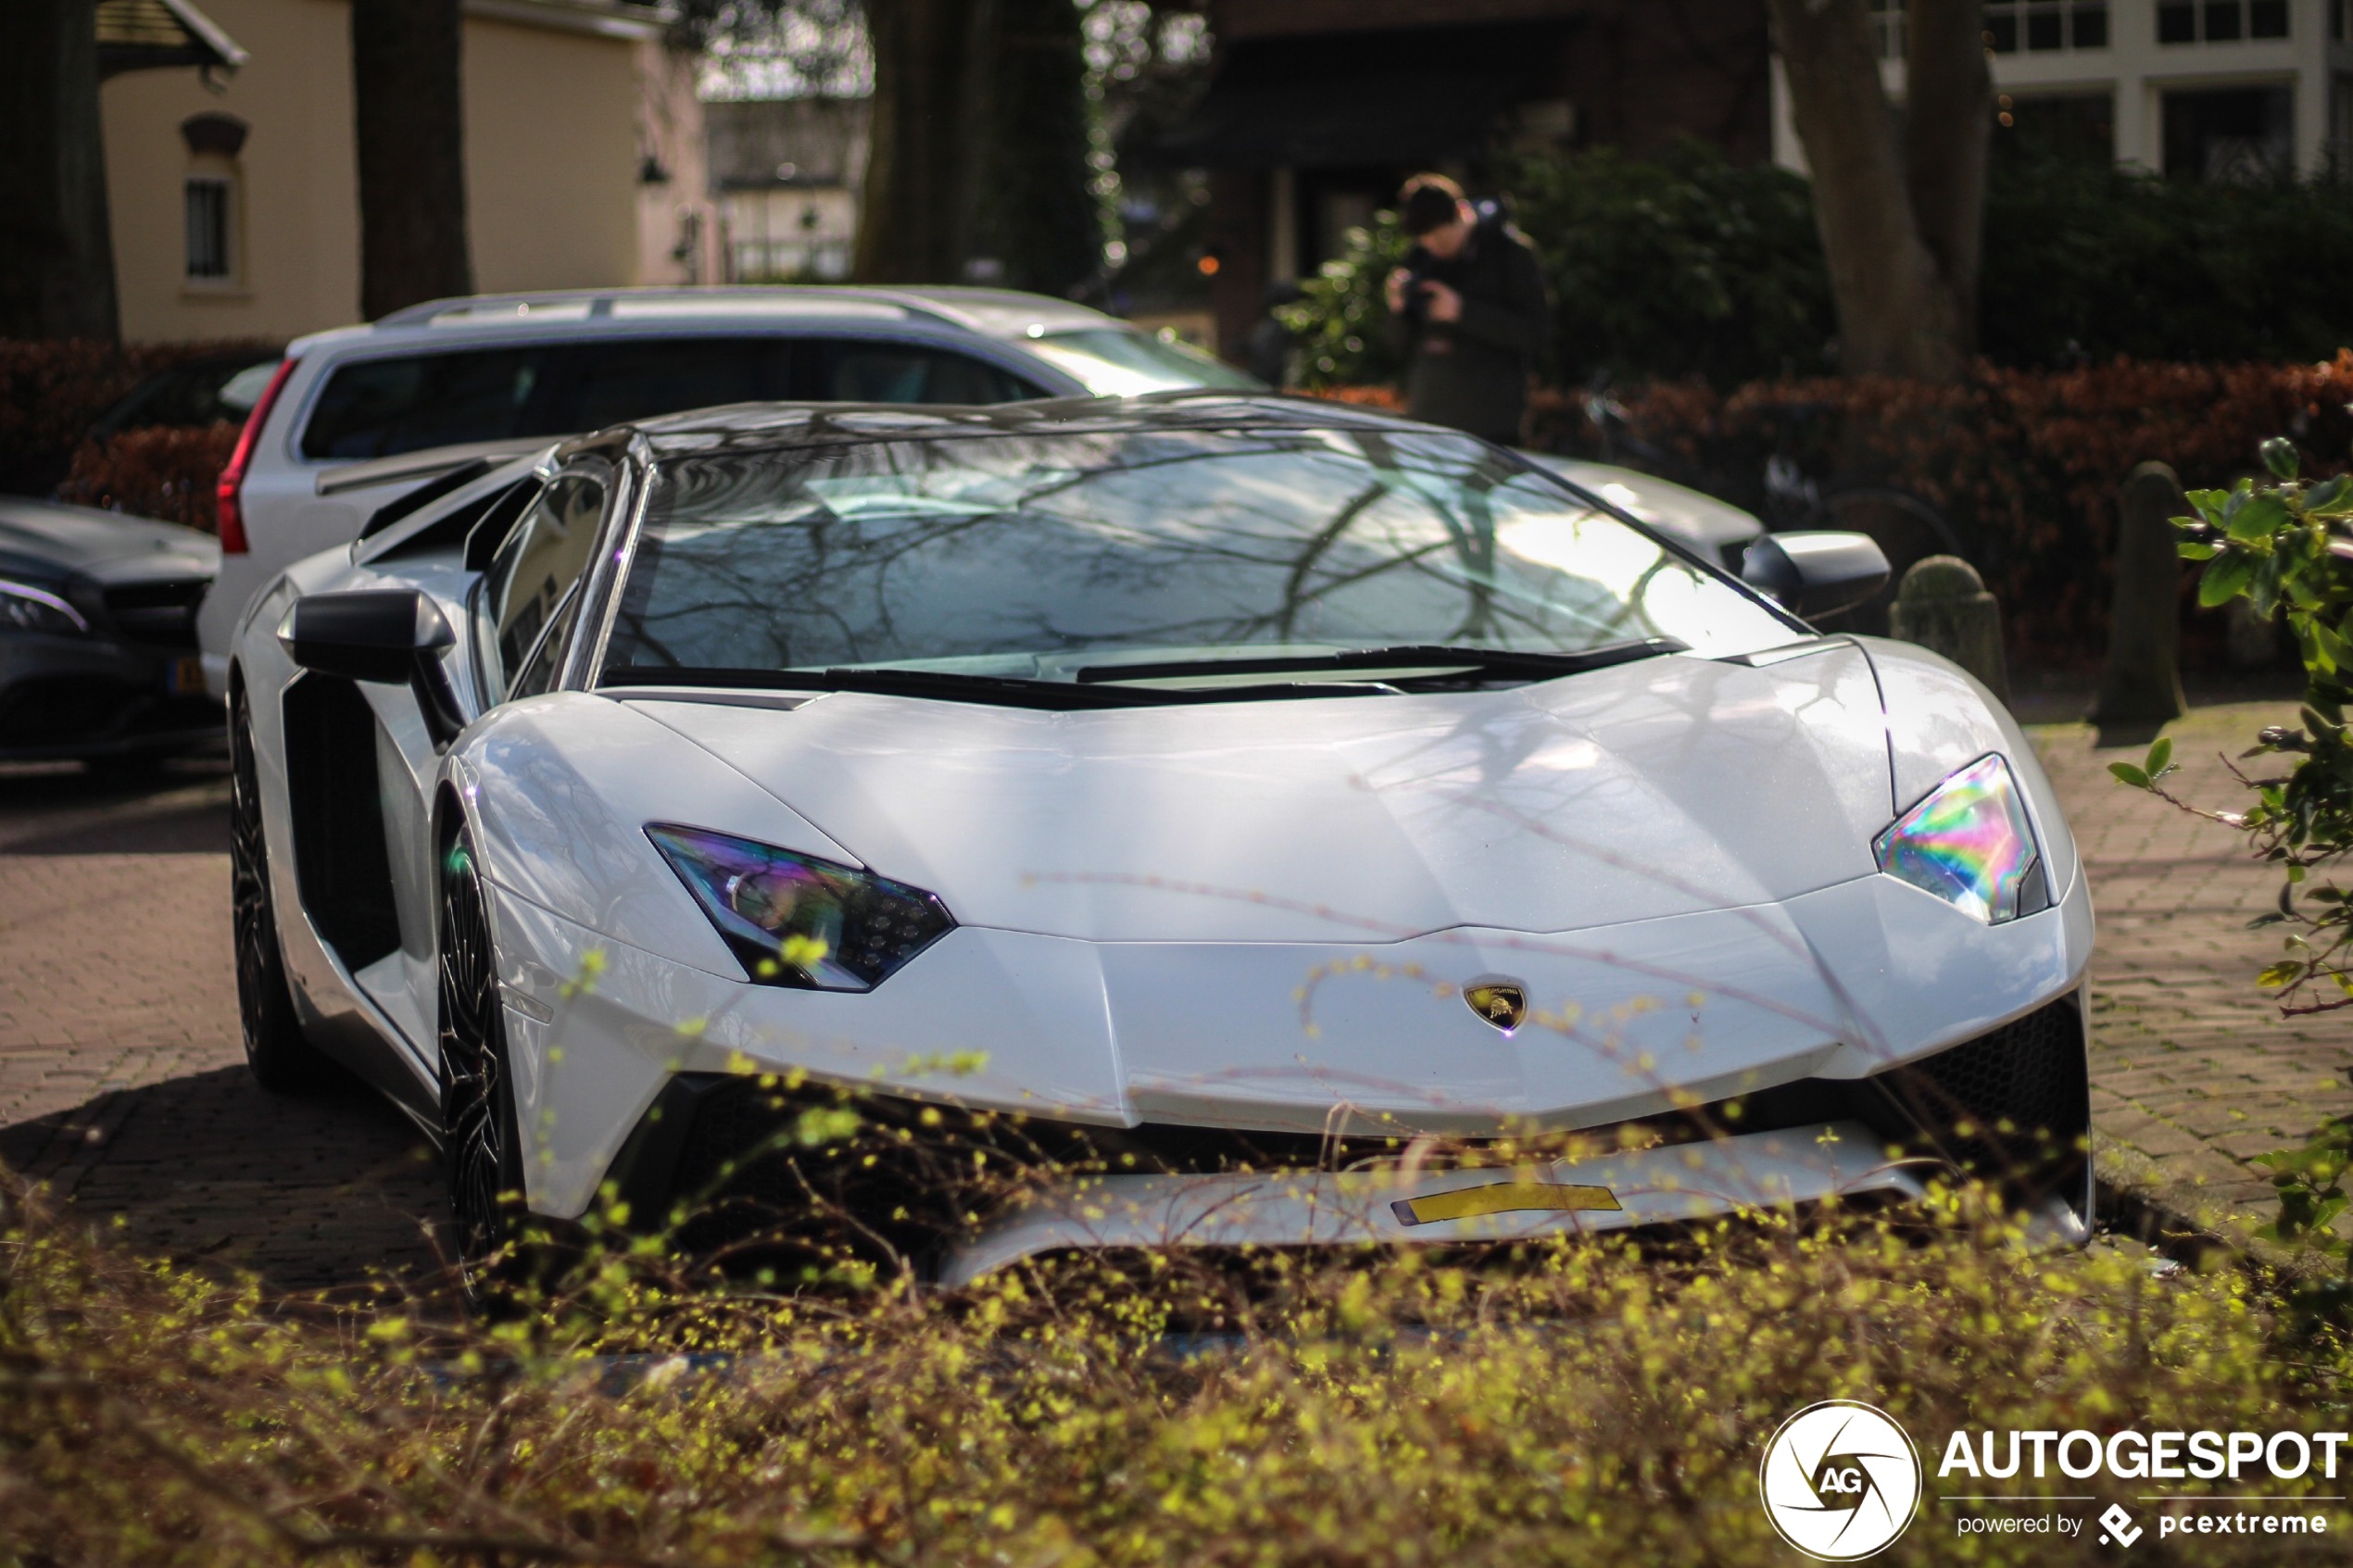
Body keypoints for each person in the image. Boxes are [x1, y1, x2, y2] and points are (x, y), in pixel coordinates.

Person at [1381, 174, 1549, 446]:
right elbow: (1396, 348)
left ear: (1462, 213)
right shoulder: (1420, 259)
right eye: (1427, 240)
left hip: (1491, 425)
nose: (1434, 247)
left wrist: (1463, 312)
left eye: (1441, 238)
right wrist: (1398, 310)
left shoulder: (1512, 255)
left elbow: (1536, 334)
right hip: (1429, 420)